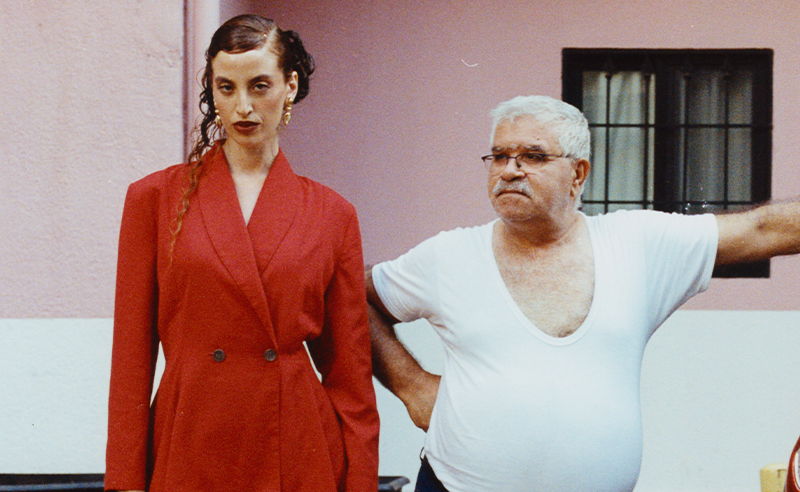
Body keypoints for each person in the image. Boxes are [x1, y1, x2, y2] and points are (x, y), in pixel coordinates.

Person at [366, 95, 800, 492]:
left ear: (578, 174)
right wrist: (410, 385)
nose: (510, 170)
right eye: (499, 156)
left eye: (533, 156)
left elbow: (762, 228)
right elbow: (351, 292)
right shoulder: (449, 256)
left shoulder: (636, 245)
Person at [105, 14, 379, 492]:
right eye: (226, 88)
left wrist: (359, 483)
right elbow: (130, 360)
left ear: (290, 86)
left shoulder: (332, 214)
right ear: (211, 90)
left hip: (296, 450)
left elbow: (350, 374)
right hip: (190, 442)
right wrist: (125, 480)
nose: (243, 107)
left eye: (259, 86)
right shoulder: (154, 199)